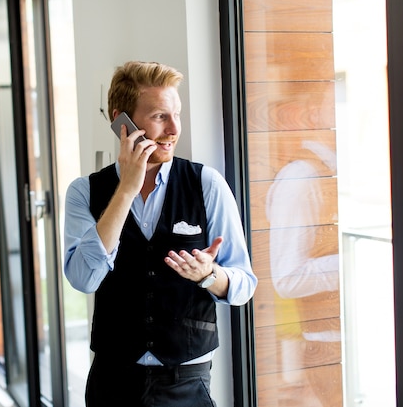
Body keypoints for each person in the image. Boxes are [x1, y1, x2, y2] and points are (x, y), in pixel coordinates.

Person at [63, 61, 257, 407]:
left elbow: (244, 284)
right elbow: (83, 279)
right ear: (121, 120)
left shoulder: (206, 184)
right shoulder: (85, 192)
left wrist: (209, 275)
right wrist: (125, 191)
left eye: (176, 115)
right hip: (113, 378)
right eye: (159, 117)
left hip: (186, 380)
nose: (173, 130)